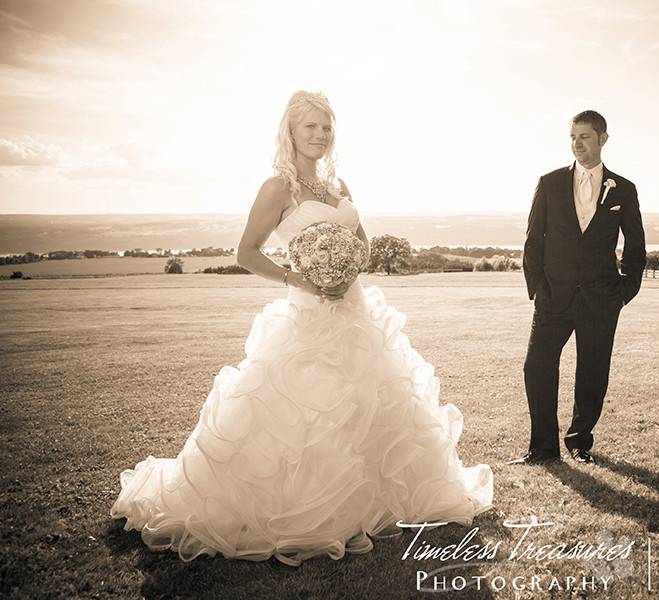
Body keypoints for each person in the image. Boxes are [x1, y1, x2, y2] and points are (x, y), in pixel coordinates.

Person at [110, 91, 493, 565]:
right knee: (308, 412)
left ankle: (369, 503)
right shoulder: (278, 188)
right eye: (310, 126)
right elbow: (246, 252)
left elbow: (362, 245)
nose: (320, 135)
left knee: (370, 404)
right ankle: (308, 508)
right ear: (290, 132)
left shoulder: (340, 186)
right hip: (305, 316)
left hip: (354, 313)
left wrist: (344, 271)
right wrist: (300, 277)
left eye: (327, 127)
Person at [514, 110, 646, 465]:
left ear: (603, 138)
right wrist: (538, 287)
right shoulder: (550, 182)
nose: (577, 144)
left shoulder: (624, 189)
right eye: (572, 137)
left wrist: (623, 292)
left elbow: (636, 246)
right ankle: (543, 447)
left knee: (592, 370)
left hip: (601, 299)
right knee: (536, 365)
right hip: (553, 296)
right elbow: (533, 241)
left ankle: (579, 441)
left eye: (584, 137)